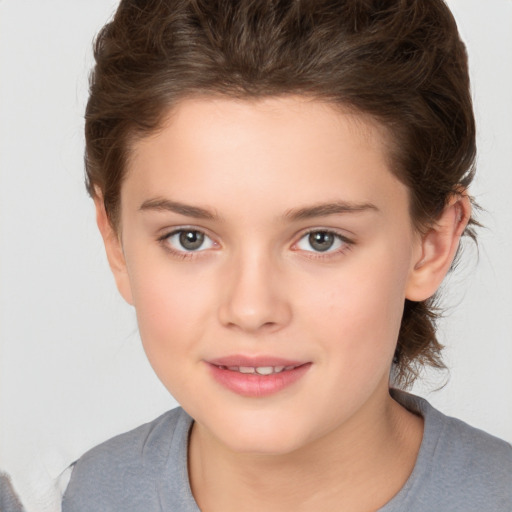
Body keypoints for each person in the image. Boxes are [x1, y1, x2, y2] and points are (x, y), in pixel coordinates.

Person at [62, 0, 512, 510]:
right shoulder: (71, 496)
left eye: (322, 239)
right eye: (189, 238)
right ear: (115, 240)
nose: (251, 310)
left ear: (431, 245)